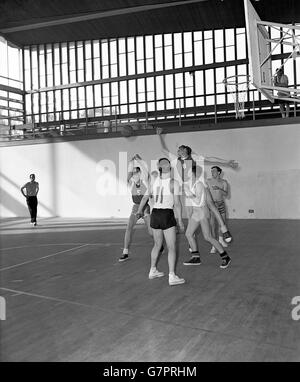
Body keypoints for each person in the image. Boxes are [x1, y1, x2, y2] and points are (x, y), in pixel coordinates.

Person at [136, 157, 185, 286]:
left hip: (155, 214)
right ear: (168, 167)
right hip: (166, 213)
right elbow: (178, 204)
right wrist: (180, 221)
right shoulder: (174, 183)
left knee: (157, 245)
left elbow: (145, 198)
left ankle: (152, 270)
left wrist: (139, 211)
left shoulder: (154, 182)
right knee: (171, 247)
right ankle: (172, 276)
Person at [183, 166, 231, 269]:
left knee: (208, 237)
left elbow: (197, 201)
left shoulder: (199, 185)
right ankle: (196, 257)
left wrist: (188, 192)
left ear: (194, 174)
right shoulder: (188, 184)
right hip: (196, 212)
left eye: (189, 172)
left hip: (202, 212)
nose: (186, 174)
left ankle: (225, 257)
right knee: (188, 234)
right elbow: (191, 203)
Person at [119, 154, 163, 261]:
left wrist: (139, 160)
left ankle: (159, 243)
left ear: (139, 173)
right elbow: (129, 173)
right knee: (129, 227)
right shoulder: (131, 184)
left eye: (135, 173)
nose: (133, 174)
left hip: (145, 208)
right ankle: (125, 252)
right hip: (136, 207)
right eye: (133, 173)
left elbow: (145, 169)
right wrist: (131, 162)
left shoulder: (144, 181)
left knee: (150, 232)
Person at [207, 166, 230, 253]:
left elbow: (226, 194)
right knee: (212, 225)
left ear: (219, 172)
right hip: (212, 205)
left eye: (214, 171)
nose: (212, 172)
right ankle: (214, 245)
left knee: (222, 223)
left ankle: (221, 240)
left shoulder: (224, 182)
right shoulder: (208, 181)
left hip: (221, 204)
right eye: (211, 171)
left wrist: (219, 189)